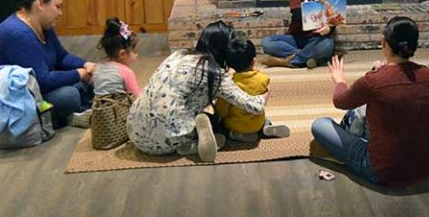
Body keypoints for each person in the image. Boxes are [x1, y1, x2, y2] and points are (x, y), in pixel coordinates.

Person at [311, 17, 429, 187]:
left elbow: (340, 100)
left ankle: (353, 135)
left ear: (384, 43)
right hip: (425, 166)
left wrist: (339, 80)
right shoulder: (427, 75)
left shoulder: (374, 81)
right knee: (373, 108)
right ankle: (358, 131)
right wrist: (381, 72)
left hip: (382, 170)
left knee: (320, 125)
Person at [127, 21, 268, 162]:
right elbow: (255, 106)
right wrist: (266, 92)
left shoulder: (178, 55)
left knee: (186, 108)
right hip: (165, 141)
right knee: (218, 120)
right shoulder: (214, 73)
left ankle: (194, 136)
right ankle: (191, 142)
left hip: (134, 131)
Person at [0, 0, 95, 128]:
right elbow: (43, 80)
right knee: (69, 95)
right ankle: (60, 117)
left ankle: (67, 113)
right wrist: (79, 73)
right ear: (40, 4)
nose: (60, 13)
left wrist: (86, 65)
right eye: (57, 6)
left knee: (84, 81)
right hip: (0, 102)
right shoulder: (18, 33)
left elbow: (62, 57)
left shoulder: (43, 25)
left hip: (27, 90)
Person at [260, 0, 337, 69]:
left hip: (318, 39)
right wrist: (315, 6)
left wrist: (329, 28)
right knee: (267, 42)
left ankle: (288, 61)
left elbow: (335, 21)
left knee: (328, 44)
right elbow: (299, 18)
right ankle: (307, 56)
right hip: (296, 37)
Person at [214, 37, 290, 143]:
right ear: (253, 61)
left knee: (221, 125)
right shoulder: (263, 79)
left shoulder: (230, 86)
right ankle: (265, 128)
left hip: (237, 125)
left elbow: (222, 111)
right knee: (265, 119)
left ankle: (235, 134)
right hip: (257, 123)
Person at [92, 18, 141, 99]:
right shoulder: (126, 72)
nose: (137, 54)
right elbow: (137, 96)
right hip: (120, 109)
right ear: (122, 54)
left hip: (100, 108)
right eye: (135, 51)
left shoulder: (98, 67)